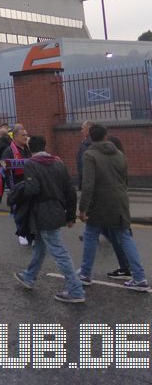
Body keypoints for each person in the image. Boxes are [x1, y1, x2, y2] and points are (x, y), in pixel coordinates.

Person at [10, 136, 84, 303]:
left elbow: (32, 189)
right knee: (40, 245)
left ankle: (75, 289)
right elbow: (70, 191)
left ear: (30, 147)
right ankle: (29, 276)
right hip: (57, 209)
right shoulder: (58, 163)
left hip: (42, 211)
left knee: (59, 251)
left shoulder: (31, 164)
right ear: (45, 146)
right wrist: (70, 215)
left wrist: (20, 190)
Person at [78, 124, 149, 291]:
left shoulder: (90, 155)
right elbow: (124, 180)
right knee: (124, 237)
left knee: (90, 235)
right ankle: (139, 278)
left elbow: (88, 185)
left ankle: (86, 274)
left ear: (90, 137)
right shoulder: (119, 154)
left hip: (99, 203)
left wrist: (83, 208)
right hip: (120, 201)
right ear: (105, 136)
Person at [1, 127, 32, 245]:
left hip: (29, 184)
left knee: (29, 210)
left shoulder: (27, 149)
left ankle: (30, 232)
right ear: (15, 137)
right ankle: (21, 234)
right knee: (18, 210)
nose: (26, 137)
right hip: (16, 186)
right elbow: (3, 167)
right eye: (23, 135)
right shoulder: (9, 151)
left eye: (26, 134)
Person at [75, 120, 93, 192]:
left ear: (88, 130)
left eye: (83, 128)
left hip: (87, 179)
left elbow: (84, 164)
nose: (81, 131)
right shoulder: (85, 143)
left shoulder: (88, 144)